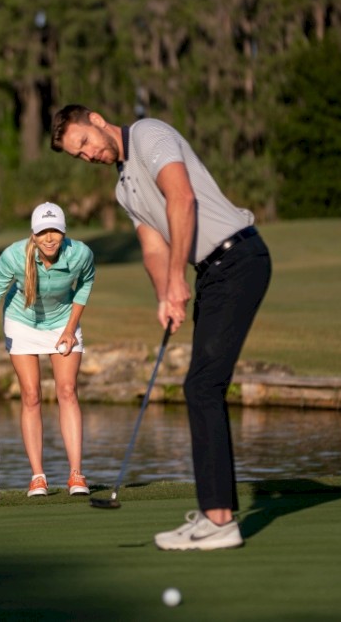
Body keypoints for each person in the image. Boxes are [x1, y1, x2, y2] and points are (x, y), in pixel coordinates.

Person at [50, 104, 271, 551]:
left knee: (202, 387)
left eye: (85, 143)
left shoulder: (149, 135)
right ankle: (216, 516)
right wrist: (163, 292)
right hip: (212, 272)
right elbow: (153, 246)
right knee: (201, 386)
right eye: (79, 155)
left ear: (96, 119)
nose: (88, 155)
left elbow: (181, 198)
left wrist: (176, 280)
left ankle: (219, 520)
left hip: (240, 258)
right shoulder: (124, 190)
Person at [0, 202, 97, 498]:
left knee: (67, 390)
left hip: (63, 323)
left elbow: (85, 285)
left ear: (63, 231)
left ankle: (76, 475)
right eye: (43, 232)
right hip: (22, 323)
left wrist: (71, 329)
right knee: (31, 395)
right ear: (33, 234)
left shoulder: (80, 254)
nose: (49, 238)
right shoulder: (14, 256)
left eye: (55, 230)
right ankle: (38, 477)